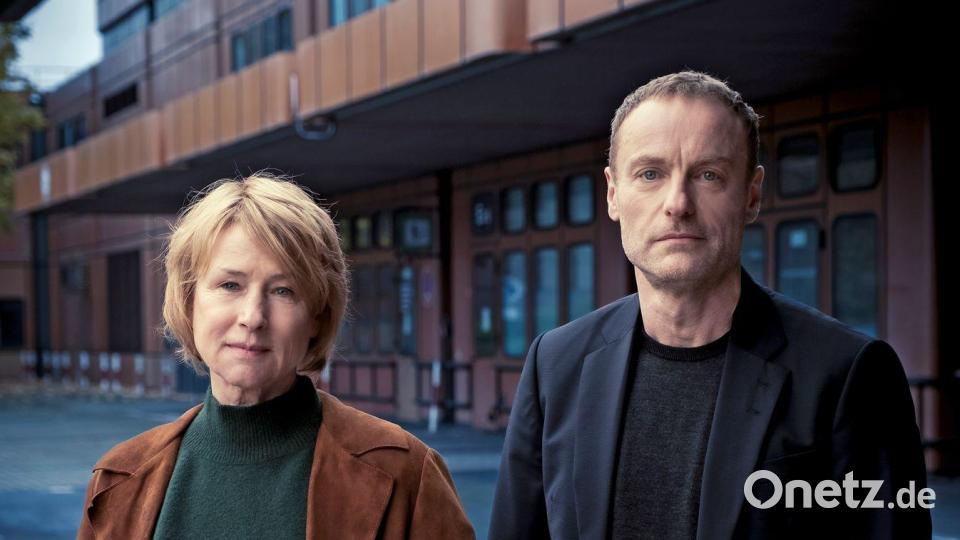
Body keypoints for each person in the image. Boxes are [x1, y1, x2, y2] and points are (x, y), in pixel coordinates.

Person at [489, 71, 931, 539]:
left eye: (708, 175)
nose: (677, 203)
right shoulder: (556, 364)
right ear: (613, 193)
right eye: (650, 174)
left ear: (751, 195)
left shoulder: (847, 375)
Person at [78, 174, 475, 539]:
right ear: (188, 300)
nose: (253, 317)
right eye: (230, 284)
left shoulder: (404, 473)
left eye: (284, 290)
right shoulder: (119, 480)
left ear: (318, 316)